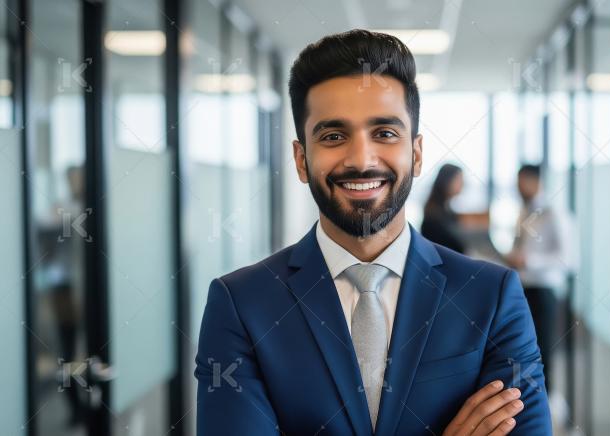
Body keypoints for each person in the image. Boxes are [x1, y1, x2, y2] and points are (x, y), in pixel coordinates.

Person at [195, 30, 551, 436]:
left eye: (384, 133)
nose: (361, 160)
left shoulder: (491, 295)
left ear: (415, 154)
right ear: (301, 159)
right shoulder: (243, 305)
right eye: (333, 136)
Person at [506, 164, 572, 386]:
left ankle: (547, 401)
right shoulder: (524, 212)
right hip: (523, 288)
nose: (518, 187)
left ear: (535, 181)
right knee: (524, 348)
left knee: (544, 348)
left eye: (521, 182)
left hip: (543, 290)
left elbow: (569, 258)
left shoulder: (554, 212)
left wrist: (529, 261)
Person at [421, 163, 467, 253]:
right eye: (459, 180)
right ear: (447, 181)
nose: (462, 184)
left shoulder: (446, 210)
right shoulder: (433, 216)